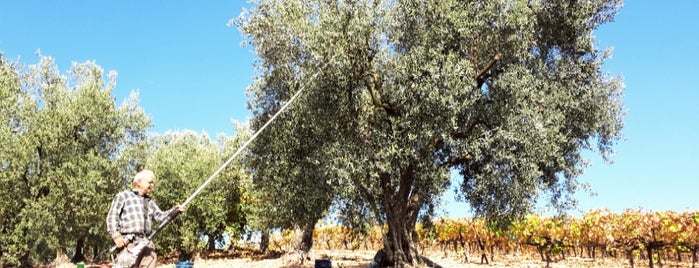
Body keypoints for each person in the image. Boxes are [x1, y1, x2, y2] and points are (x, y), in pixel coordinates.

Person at [106, 169, 185, 268]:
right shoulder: (123, 196)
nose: (152, 186)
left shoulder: (149, 202)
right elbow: (112, 216)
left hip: (147, 244)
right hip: (129, 244)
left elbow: (160, 216)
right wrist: (117, 237)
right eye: (150, 182)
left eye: (153, 183)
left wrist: (174, 211)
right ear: (139, 182)